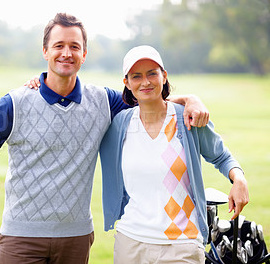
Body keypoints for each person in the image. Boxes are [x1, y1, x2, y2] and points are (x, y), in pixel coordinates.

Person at [0, 14, 209, 264]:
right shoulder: (16, 102)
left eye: (74, 46)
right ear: (45, 51)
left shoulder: (104, 102)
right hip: (22, 237)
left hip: (76, 238)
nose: (67, 53)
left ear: (84, 54)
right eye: (59, 46)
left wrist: (189, 99)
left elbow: (148, 99)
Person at [99, 45, 249, 263]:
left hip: (182, 244)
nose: (146, 81)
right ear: (127, 82)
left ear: (164, 75)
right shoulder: (119, 125)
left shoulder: (187, 118)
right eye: (136, 76)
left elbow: (221, 156)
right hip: (130, 242)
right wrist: (39, 83)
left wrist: (239, 179)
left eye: (152, 73)